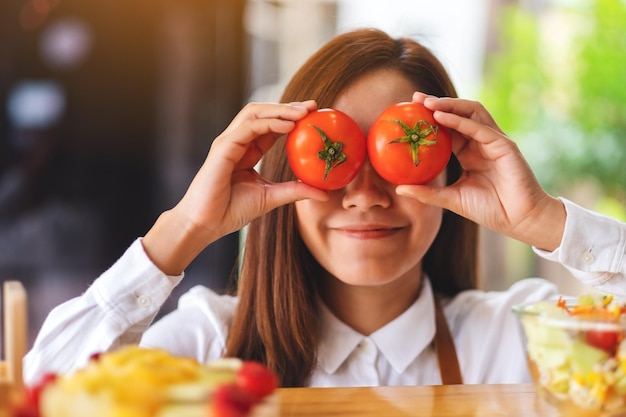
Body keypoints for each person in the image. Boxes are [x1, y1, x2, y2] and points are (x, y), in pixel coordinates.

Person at [24, 28, 626, 388]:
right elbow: (44, 392)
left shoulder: (522, 335)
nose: (365, 193)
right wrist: (185, 228)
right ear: (287, 173)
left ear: (449, 167)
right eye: (333, 159)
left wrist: (544, 219)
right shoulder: (213, 343)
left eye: (399, 157)